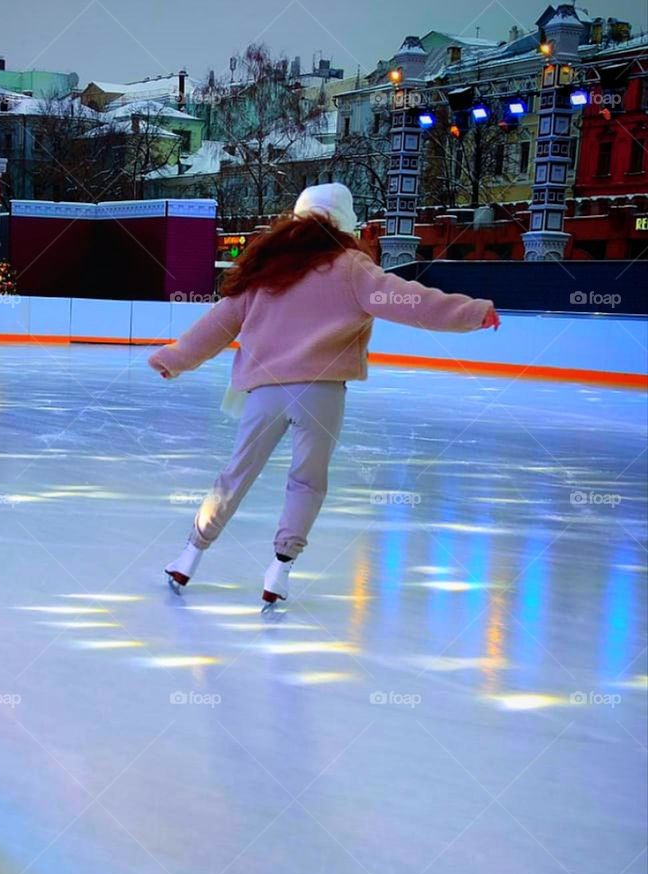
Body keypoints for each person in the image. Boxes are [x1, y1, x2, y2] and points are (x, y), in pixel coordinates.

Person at [148, 183, 500, 605]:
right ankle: (279, 571)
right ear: (344, 222)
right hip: (321, 393)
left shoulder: (268, 269)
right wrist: (472, 312)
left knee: (236, 475)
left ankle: (189, 556)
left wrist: (176, 358)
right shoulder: (352, 267)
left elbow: (220, 322)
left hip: (264, 392)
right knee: (307, 481)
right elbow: (409, 300)